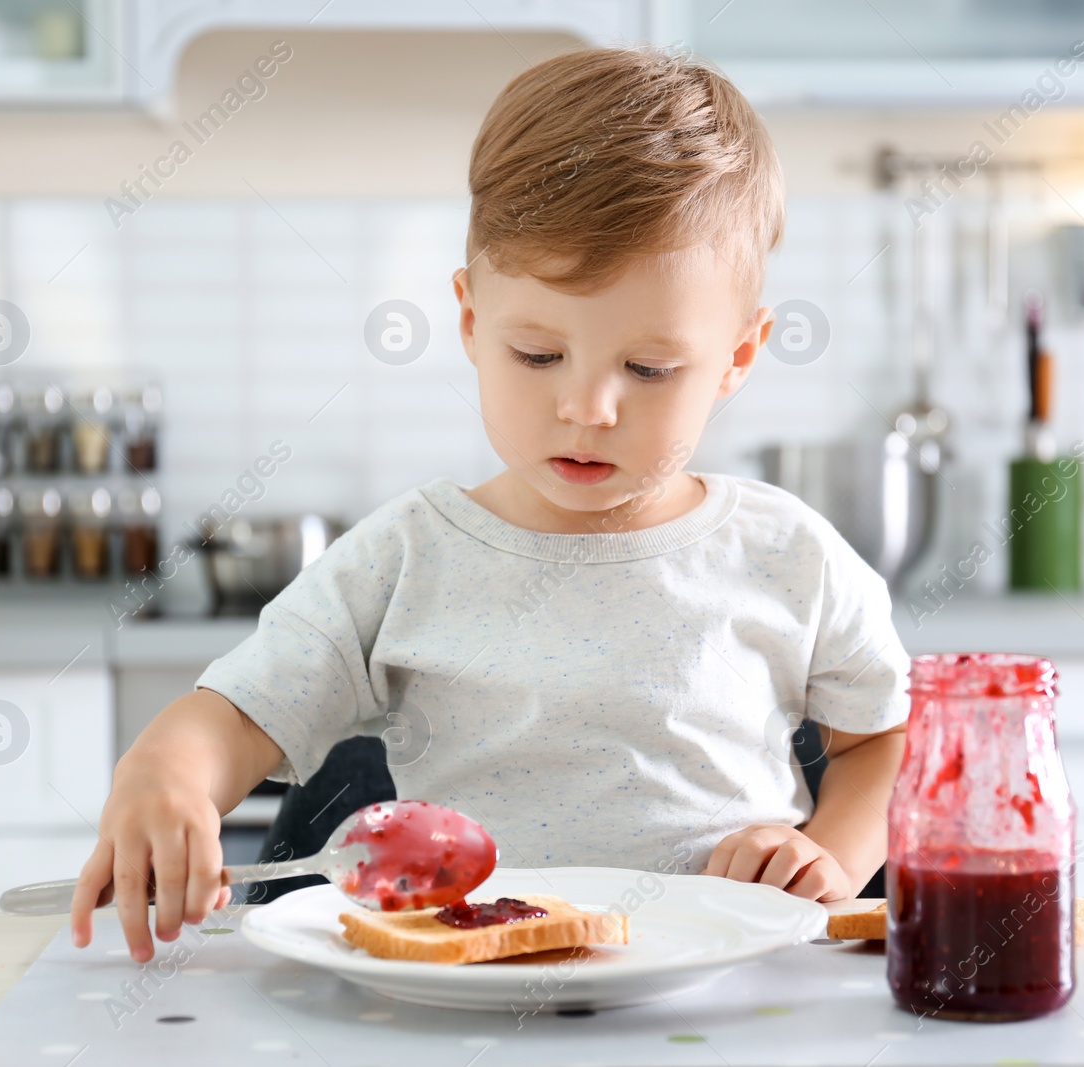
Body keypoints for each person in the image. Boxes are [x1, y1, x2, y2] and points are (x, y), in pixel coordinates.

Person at [72, 45, 910, 963]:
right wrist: (164, 775)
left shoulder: (789, 553)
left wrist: (823, 856)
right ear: (472, 321)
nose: (587, 407)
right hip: (467, 987)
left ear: (739, 357)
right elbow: (236, 714)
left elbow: (883, 738)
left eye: (650, 369)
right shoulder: (404, 556)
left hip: (731, 985)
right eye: (538, 355)